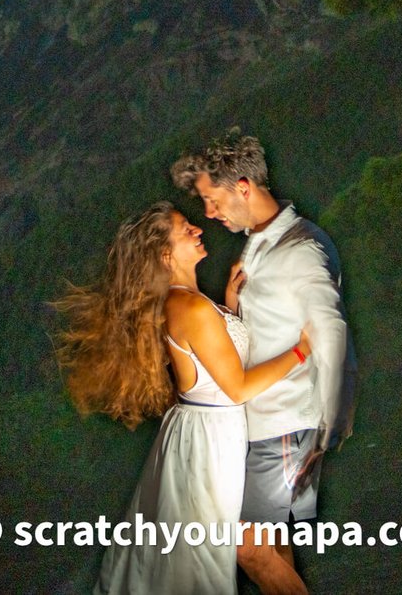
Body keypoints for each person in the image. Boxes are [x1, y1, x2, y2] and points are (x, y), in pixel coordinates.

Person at [54, 202, 312, 595]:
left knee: (257, 541)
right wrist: (301, 351)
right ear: (165, 254)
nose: (196, 228)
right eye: (184, 228)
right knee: (222, 554)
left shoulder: (189, 301)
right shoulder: (190, 307)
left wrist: (229, 305)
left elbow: (208, 362)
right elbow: (237, 388)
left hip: (205, 432)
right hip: (212, 443)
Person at [171, 132, 355, 595]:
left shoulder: (301, 249)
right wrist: (234, 307)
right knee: (273, 550)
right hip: (261, 423)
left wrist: (330, 428)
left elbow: (330, 332)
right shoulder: (259, 241)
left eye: (213, 201)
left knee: (247, 548)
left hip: (285, 425)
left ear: (244, 187)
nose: (209, 214)